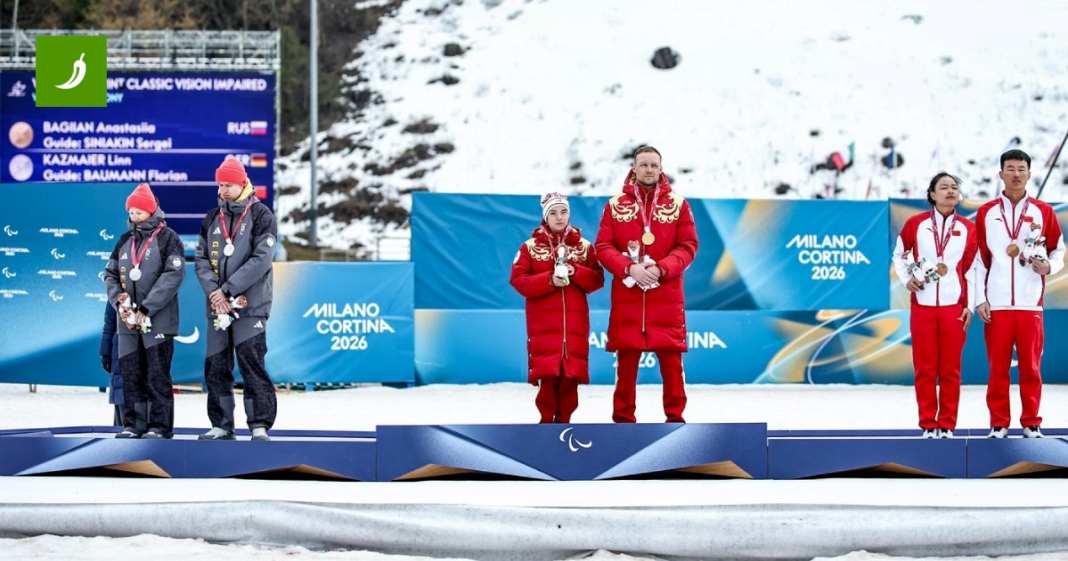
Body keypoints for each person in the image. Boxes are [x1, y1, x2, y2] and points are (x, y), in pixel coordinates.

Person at [595, 146, 699, 423]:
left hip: (666, 297)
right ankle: (622, 421)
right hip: (628, 299)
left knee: (672, 367)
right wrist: (629, 268)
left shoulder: (679, 204)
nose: (649, 170)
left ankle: (676, 422)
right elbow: (603, 246)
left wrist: (661, 269)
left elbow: (688, 246)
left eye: (654, 165)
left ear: (661, 169)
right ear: (634, 168)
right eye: (644, 165)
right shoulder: (615, 205)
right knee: (625, 368)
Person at [975, 149, 1065, 438]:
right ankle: (999, 422)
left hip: (1029, 303)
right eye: (1010, 168)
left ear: (1029, 173)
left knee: (1031, 367)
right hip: (997, 303)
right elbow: (978, 259)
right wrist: (979, 298)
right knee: (997, 368)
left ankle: (1031, 422)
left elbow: (1059, 250)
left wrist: (1049, 265)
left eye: (1021, 168)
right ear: (1001, 173)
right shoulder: (987, 213)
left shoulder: (1043, 211)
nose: (1016, 174)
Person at [195, 157, 279, 441]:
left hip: (250, 306)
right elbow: (201, 259)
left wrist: (228, 289)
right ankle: (221, 424)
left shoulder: (262, 214)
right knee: (216, 366)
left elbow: (261, 259)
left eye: (228, 184)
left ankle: (259, 425)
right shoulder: (211, 217)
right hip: (218, 307)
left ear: (242, 183)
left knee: (251, 364)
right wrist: (214, 293)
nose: (223, 190)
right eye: (220, 184)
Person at [892, 172, 978, 439]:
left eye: (954, 187)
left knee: (951, 369)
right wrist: (907, 279)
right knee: (925, 368)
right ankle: (928, 423)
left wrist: (971, 305)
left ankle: (947, 424)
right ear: (932, 194)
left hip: (954, 306)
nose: (950, 191)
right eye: (944, 187)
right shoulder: (915, 224)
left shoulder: (967, 228)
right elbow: (899, 255)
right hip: (923, 305)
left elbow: (974, 269)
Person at [510, 192, 605, 423]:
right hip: (543, 329)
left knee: (570, 382)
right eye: (553, 212)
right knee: (548, 381)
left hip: (574, 329)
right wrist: (549, 280)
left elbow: (597, 280)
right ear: (545, 216)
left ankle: (565, 425)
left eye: (563, 211)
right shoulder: (530, 247)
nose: (559, 217)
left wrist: (576, 272)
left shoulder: (584, 247)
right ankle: (545, 426)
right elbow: (518, 281)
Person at [103, 183, 185, 439]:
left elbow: (173, 275)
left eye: (139, 212)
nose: (134, 217)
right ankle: (134, 424)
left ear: (152, 211)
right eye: (132, 212)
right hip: (128, 322)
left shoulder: (168, 238)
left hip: (157, 320)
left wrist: (147, 307)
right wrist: (121, 304)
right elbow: (110, 274)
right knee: (131, 374)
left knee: (157, 375)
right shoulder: (124, 240)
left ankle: (159, 427)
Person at [98, 303, 124, 427]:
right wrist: (105, 352)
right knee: (121, 395)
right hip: (118, 350)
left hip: (141, 349)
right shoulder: (116, 291)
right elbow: (109, 323)